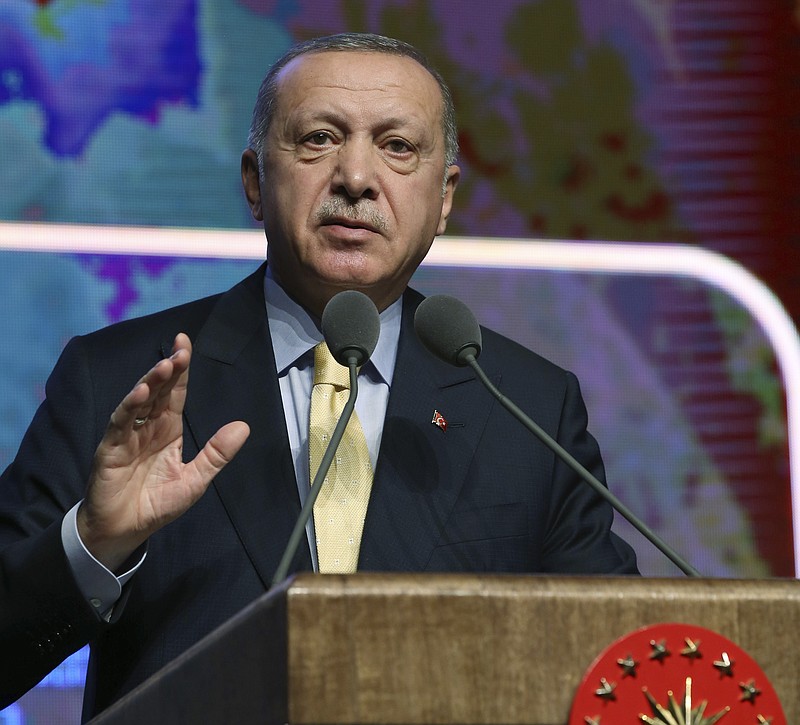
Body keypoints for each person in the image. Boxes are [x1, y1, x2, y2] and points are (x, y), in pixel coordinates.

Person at [0, 33, 638, 719]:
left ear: (445, 196)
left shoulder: (527, 405)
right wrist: (96, 544)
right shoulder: (119, 380)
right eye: (319, 139)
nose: (356, 177)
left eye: (397, 147)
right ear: (253, 180)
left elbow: (625, 660)